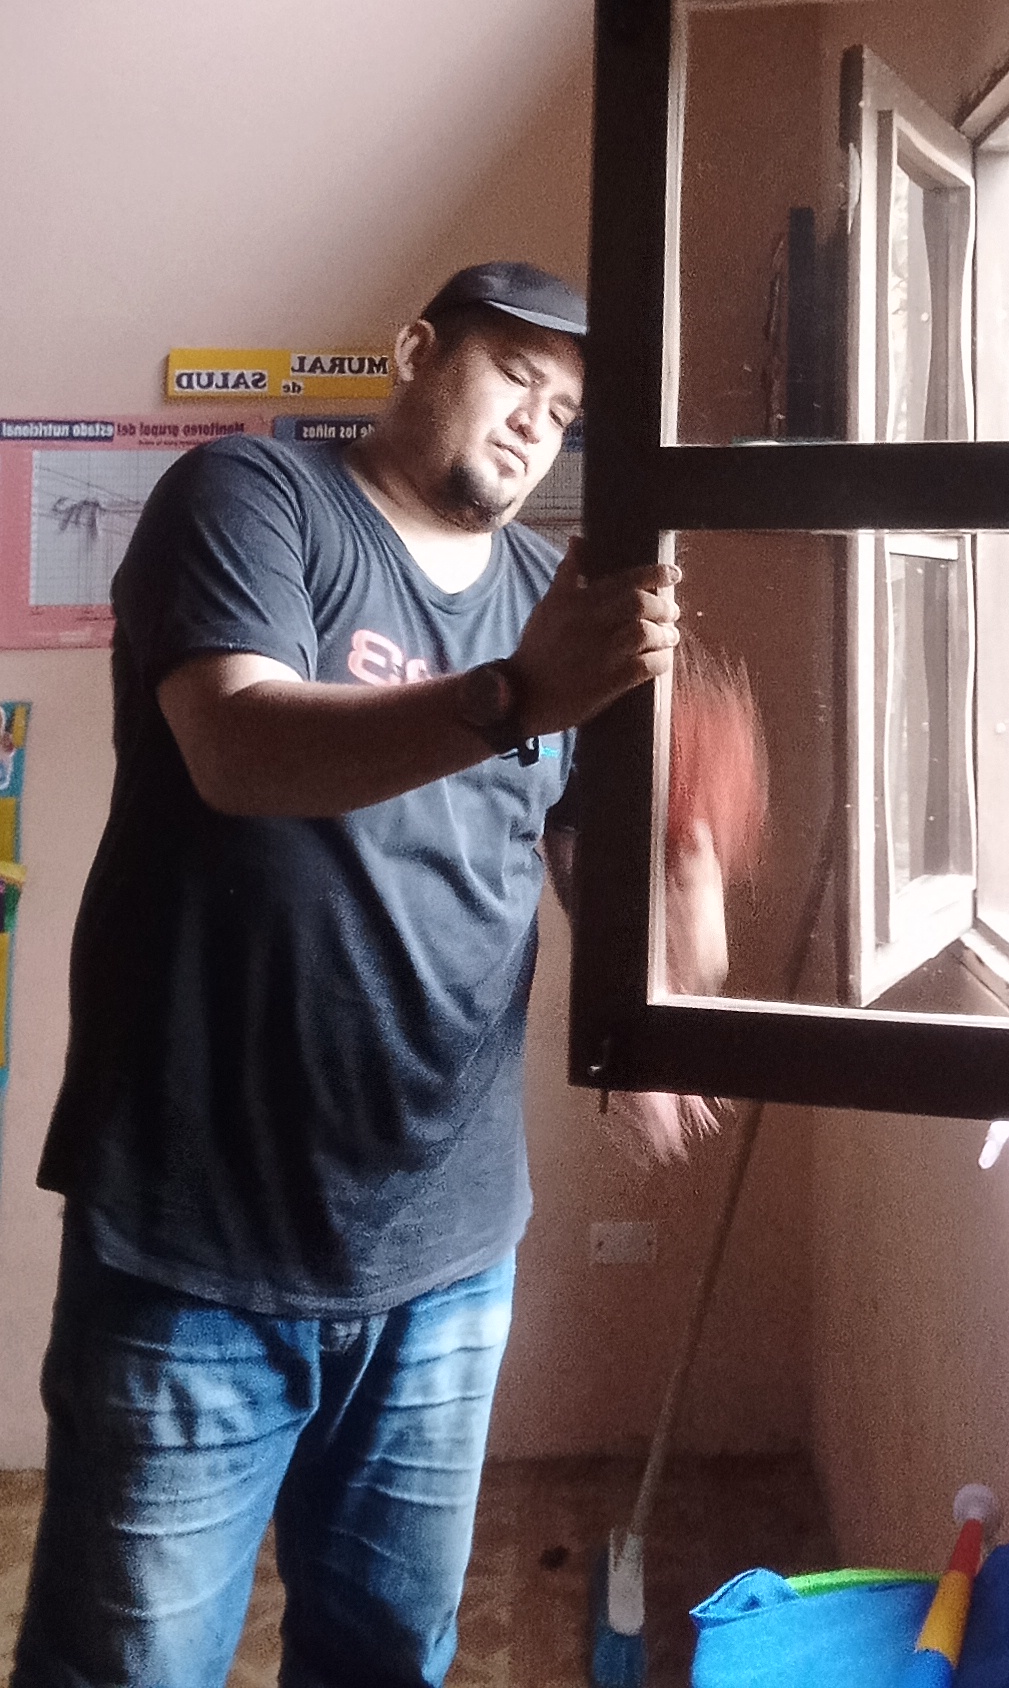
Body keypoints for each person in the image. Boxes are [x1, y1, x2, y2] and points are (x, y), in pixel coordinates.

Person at [12, 260, 708, 1688]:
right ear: (414, 351)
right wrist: (516, 696)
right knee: (128, 1669)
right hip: (197, 1247)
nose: (539, 423)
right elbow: (241, 745)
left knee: (385, 1660)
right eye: (517, 375)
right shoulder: (251, 500)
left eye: (567, 412)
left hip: (444, 1255)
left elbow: (586, 868)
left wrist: (681, 894)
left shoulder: (546, 598)